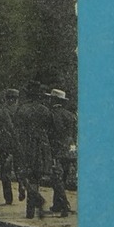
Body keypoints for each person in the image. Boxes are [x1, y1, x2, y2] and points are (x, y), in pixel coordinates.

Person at [13, 81, 52, 219]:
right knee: (36, 176)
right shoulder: (45, 110)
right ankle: (33, 204)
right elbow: (50, 129)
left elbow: (16, 128)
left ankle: (34, 202)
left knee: (25, 174)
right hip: (41, 145)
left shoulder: (22, 109)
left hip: (25, 144)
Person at [46, 88, 76, 217]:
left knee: (56, 178)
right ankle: (57, 204)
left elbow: (48, 134)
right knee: (62, 177)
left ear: (53, 100)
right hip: (69, 150)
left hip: (55, 150)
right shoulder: (70, 115)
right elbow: (74, 134)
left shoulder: (51, 114)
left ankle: (64, 204)